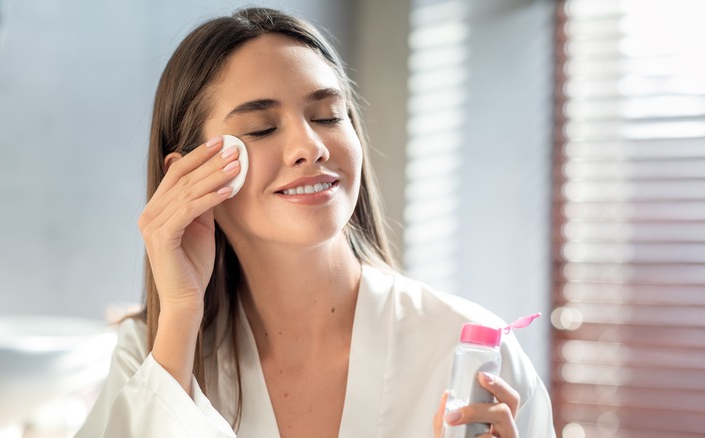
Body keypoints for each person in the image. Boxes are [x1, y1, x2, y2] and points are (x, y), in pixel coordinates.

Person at [77, 7, 555, 438]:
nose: (311, 146)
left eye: (328, 115)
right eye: (262, 128)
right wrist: (180, 316)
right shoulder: (151, 351)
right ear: (189, 177)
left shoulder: (470, 355)